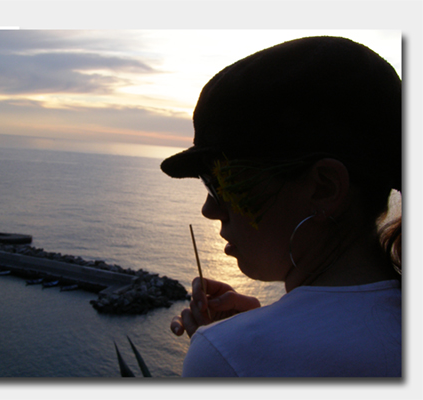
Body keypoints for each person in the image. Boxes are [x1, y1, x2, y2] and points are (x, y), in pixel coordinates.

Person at [160, 36, 402, 377]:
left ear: (324, 188)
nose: (209, 209)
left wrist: (229, 357)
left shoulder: (230, 357)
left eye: (221, 184)